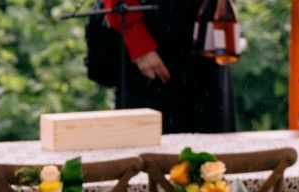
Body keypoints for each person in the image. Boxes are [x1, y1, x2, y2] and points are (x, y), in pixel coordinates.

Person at [85, 0, 235, 135]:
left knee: (213, 143)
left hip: (206, 33)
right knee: (149, 142)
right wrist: (138, 42)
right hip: (152, 42)